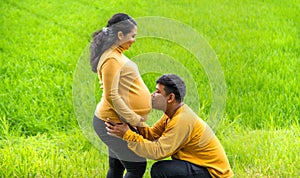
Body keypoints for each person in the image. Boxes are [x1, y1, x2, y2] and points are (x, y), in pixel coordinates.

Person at [105, 74, 234, 178]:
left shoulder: (181, 120)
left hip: (213, 174)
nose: (152, 95)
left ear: (170, 98)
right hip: (198, 166)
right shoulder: (171, 114)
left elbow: (158, 152)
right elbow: (152, 135)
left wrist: (127, 134)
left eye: (157, 92)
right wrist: (135, 122)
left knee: (161, 170)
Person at [89, 13, 151, 178]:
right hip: (112, 122)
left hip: (116, 121)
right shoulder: (111, 59)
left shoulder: (116, 54)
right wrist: (134, 119)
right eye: (132, 36)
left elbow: (124, 87)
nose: (134, 40)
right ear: (120, 35)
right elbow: (111, 95)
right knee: (136, 167)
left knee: (117, 167)